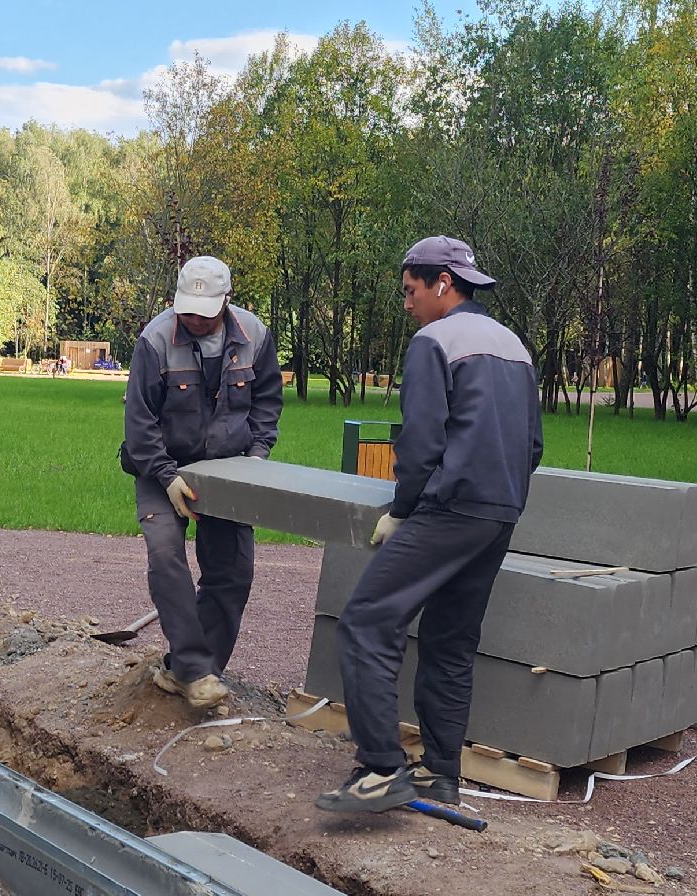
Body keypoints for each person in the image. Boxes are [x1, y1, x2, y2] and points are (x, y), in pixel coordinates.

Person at [316, 237, 542, 814]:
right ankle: (440, 775)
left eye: (411, 291)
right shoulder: (513, 345)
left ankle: (381, 768)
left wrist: (405, 509)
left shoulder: (433, 342)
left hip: (448, 509)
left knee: (367, 620)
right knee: (449, 640)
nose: (408, 304)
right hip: (500, 513)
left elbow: (419, 442)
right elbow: (533, 444)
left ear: (443, 282)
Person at [119, 255, 282, 710]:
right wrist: (167, 476)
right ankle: (193, 668)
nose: (192, 319)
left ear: (226, 301)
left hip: (228, 469)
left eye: (202, 311)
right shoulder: (154, 340)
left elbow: (268, 400)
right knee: (167, 558)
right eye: (186, 309)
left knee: (233, 573)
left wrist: (257, 455)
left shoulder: (255, 336)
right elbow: (140, 422)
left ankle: (195, 670)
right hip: (160, 467)